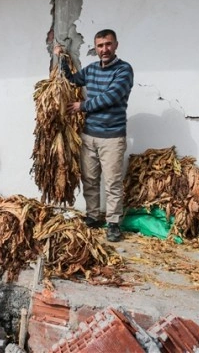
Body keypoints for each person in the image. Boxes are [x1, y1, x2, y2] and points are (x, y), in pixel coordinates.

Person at [53, 29, 134, 242]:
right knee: (89, 178)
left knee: (113, 182)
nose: (104, 49)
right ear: (95, 48)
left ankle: (114, 223)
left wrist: (83, 106)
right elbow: (71, 80)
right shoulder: (91, 70)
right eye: (100, 46)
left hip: (112, 137)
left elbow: (113, 96)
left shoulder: (124, 70)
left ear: (115, 45)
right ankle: (93, 216)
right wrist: (61, 57)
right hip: (89, 135)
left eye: (108, 44)